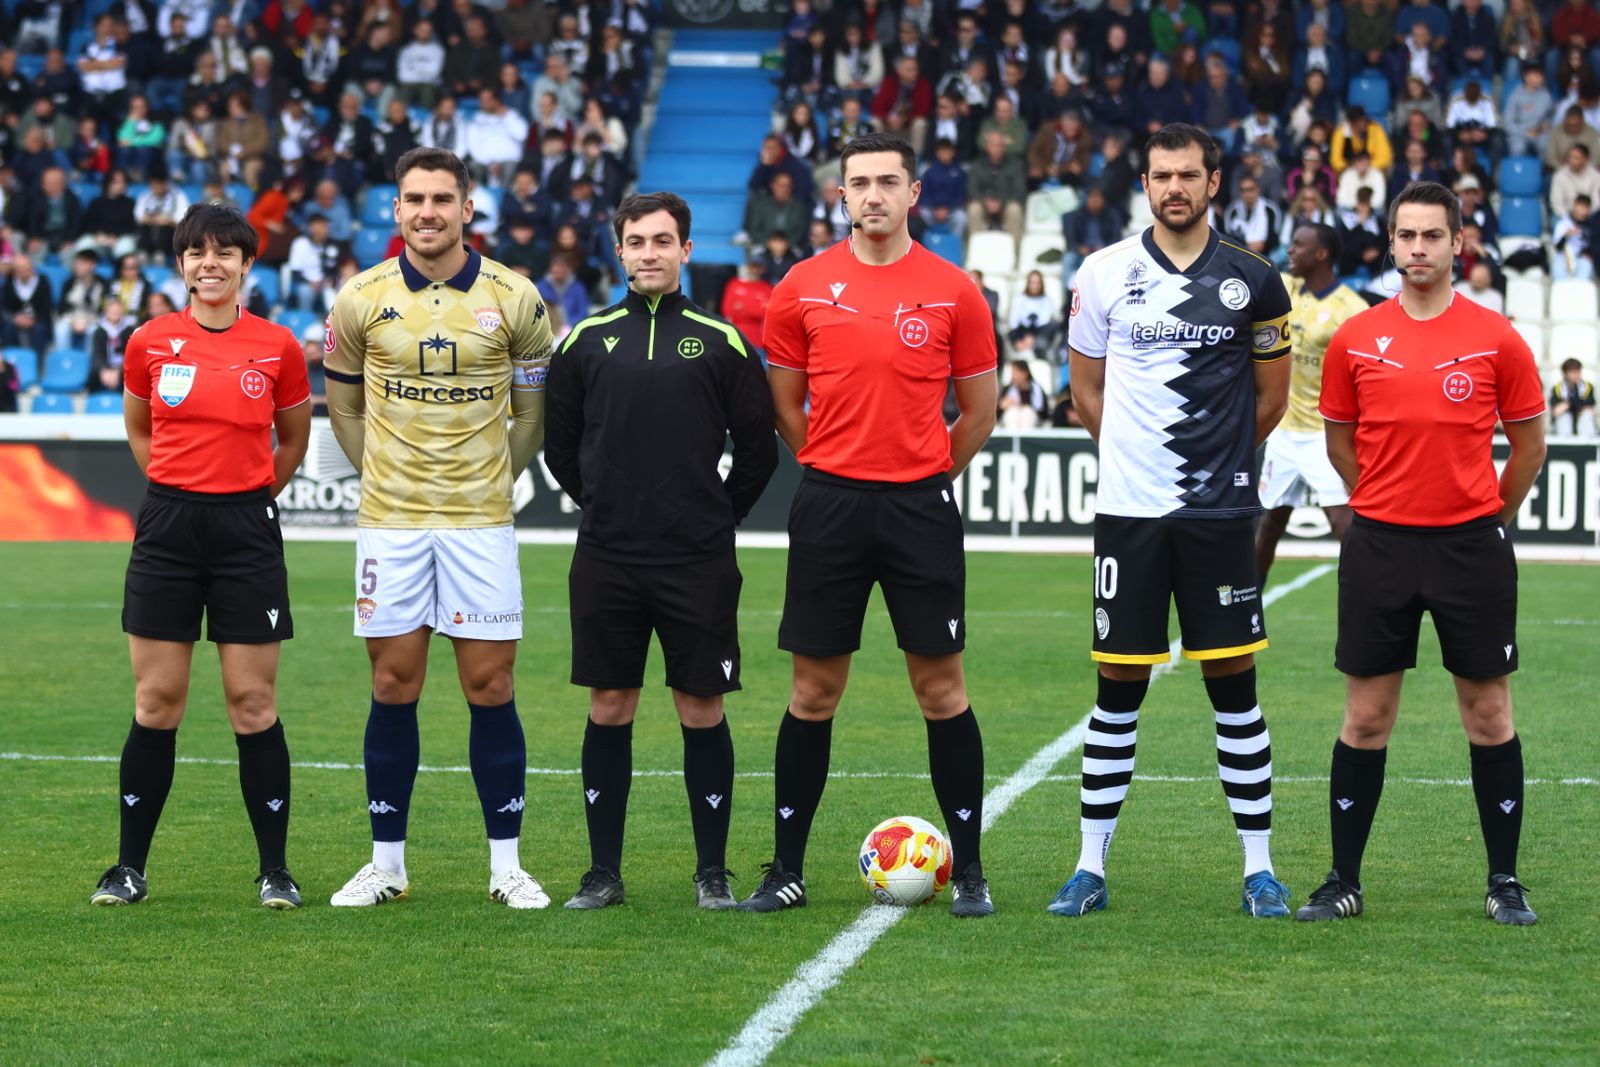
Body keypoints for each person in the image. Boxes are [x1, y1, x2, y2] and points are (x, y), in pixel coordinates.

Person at [737, 132, 999, 917]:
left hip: (919, 506)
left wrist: (922, 475)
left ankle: (973, 870)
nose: (874, 195)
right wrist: (831, 463)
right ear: (841, 195)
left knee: (941, 688)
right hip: (829, 504)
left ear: (914, 193)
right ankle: (785, 867)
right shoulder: (802, 286)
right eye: (860, 182)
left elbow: (979, 411)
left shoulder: (955, 289)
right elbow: (783, 403)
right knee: (814, 690)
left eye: (889, 181)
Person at [1053, 123, 1294, 919]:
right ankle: (1088, 868)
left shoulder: (1255, 280)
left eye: (1188, 175)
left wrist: (1211, 463)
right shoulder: (1103, 272)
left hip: (1218, 513)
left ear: (1214, 182)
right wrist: (1135, 459)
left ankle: (1259, 869)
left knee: (1234, 685)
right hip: (1129, 515)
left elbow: (1270, 400)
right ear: (1146, 183)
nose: (1174, 188)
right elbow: (1085, 391)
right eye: (1161, 175)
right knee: (1117, 685)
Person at [1296, 180, 1549, 926]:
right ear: (1391, 242)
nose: (1417, 249)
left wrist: (1487, 518)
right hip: (1379, 544)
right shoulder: (1356, 336)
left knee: (1489, 712)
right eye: (1405, 235)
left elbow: (1529, 446)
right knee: (1367, 716)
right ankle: (1344, 878)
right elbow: (1340, 442)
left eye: (1431, 236)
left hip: (1471, 546)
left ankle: (1504, 880)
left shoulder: (1497, 336)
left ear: (1457, 243)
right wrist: (1382, 498)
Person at [323, 147, 556, 910]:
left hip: (479, 523)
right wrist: (385, 477)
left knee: (490, 684)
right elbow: (347, 411)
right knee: (394, 682)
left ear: (467, 207)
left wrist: (490, 479)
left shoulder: (515, 297)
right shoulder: (359, 299)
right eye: (413, 198)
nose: (427, 211)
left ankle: (506, 866)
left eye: (442, 198)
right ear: (396, 209)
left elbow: (532, 417)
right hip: (389, 523)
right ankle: (386, 864)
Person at [543, 191, 778, 911]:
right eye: (636, 241)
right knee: (610, 704)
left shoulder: (722, 339)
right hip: (608, 556)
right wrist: (609, 507)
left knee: (699, 706)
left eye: (663, 240)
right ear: (619, 252)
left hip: (697, 559)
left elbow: (760, 451)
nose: (649, 251)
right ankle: (602, 873)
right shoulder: (585, 340)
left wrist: (712, 517)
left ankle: (712, 871)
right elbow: (560, 450)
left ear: (685, 250)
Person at [90, 202, 312, 909]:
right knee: (157, 700)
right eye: (196, 252)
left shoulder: (278, 345)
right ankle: (129, 868)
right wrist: (181, 487)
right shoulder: (149, 341)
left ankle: (275, 870)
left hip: (246, 529)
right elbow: (138, 427)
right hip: (168, 528)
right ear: (180, 263)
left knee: (253, 701)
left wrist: (244, 495)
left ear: (248, 263)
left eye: (224, 252)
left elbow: (293, 442)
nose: (209, 263)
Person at [1255, 224, 1368, 581]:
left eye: (1299, 245)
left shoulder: (1351, 308)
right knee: (1268, 523)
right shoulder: (1284, 288)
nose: (1290, 251)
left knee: (1344, 524)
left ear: (1321, 254)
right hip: (1284, 430)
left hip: (1325, 433)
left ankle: (1369, 599)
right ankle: (1244, 612)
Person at [1549, 357, 1597, 437]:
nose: (1576, 375)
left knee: (1586, 416)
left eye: (1578, 371)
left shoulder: (1588, 387)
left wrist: (1568, 404)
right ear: (1565, 373)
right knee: (1564, 417)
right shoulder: (1557, 388)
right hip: (1563, 427)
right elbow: (1556, 412)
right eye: (1572, 372)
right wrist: (1574, 403)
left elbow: (1591, 409)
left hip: (1582, 425)